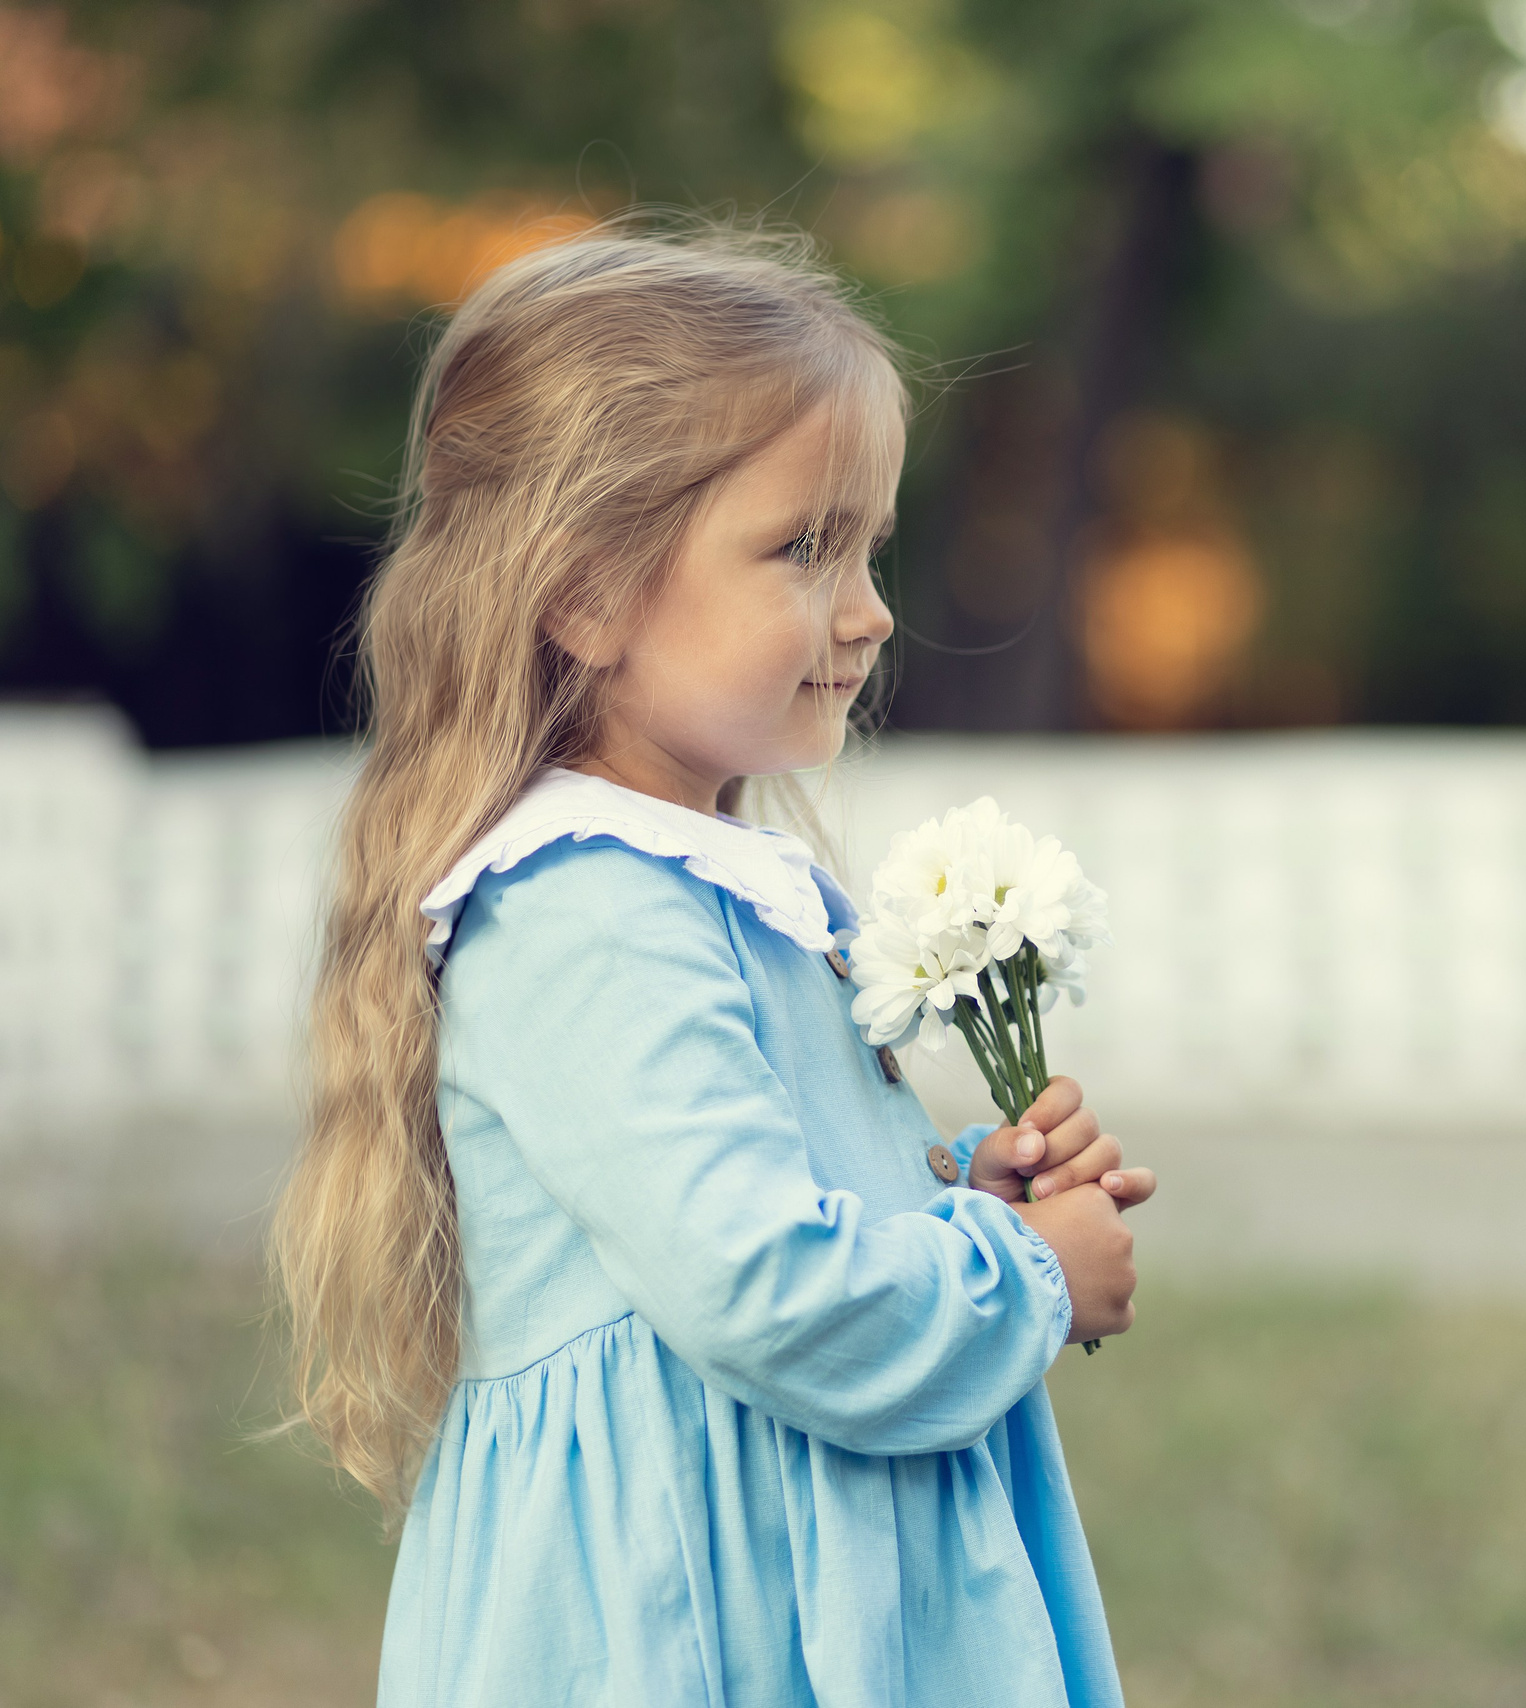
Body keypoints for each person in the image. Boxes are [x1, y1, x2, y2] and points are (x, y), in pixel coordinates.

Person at [269, 217, 1152, 1707]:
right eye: (804, 547)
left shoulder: (693, 882)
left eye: (870, 545)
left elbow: (747, 1194)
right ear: (585, 594)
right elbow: (761, 1288)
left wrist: (952, 1191)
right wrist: (1030, 1278)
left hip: (776, 1556)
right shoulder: (583, 909)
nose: (870, 610)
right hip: (692, 1609)